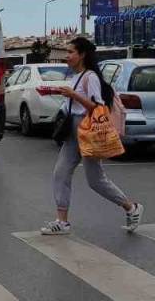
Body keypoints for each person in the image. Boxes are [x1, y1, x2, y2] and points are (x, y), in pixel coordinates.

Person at [41, 36, 143, 236]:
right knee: (60, 173)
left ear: (82, 55)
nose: (67, 56)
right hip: (73, 131)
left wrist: (74, 95)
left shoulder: (91, 77)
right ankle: (62, 221)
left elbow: (97, 107)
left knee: (95, 180)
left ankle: (131, 207)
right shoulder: (76, 76)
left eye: (71, 52)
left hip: (88, 130)